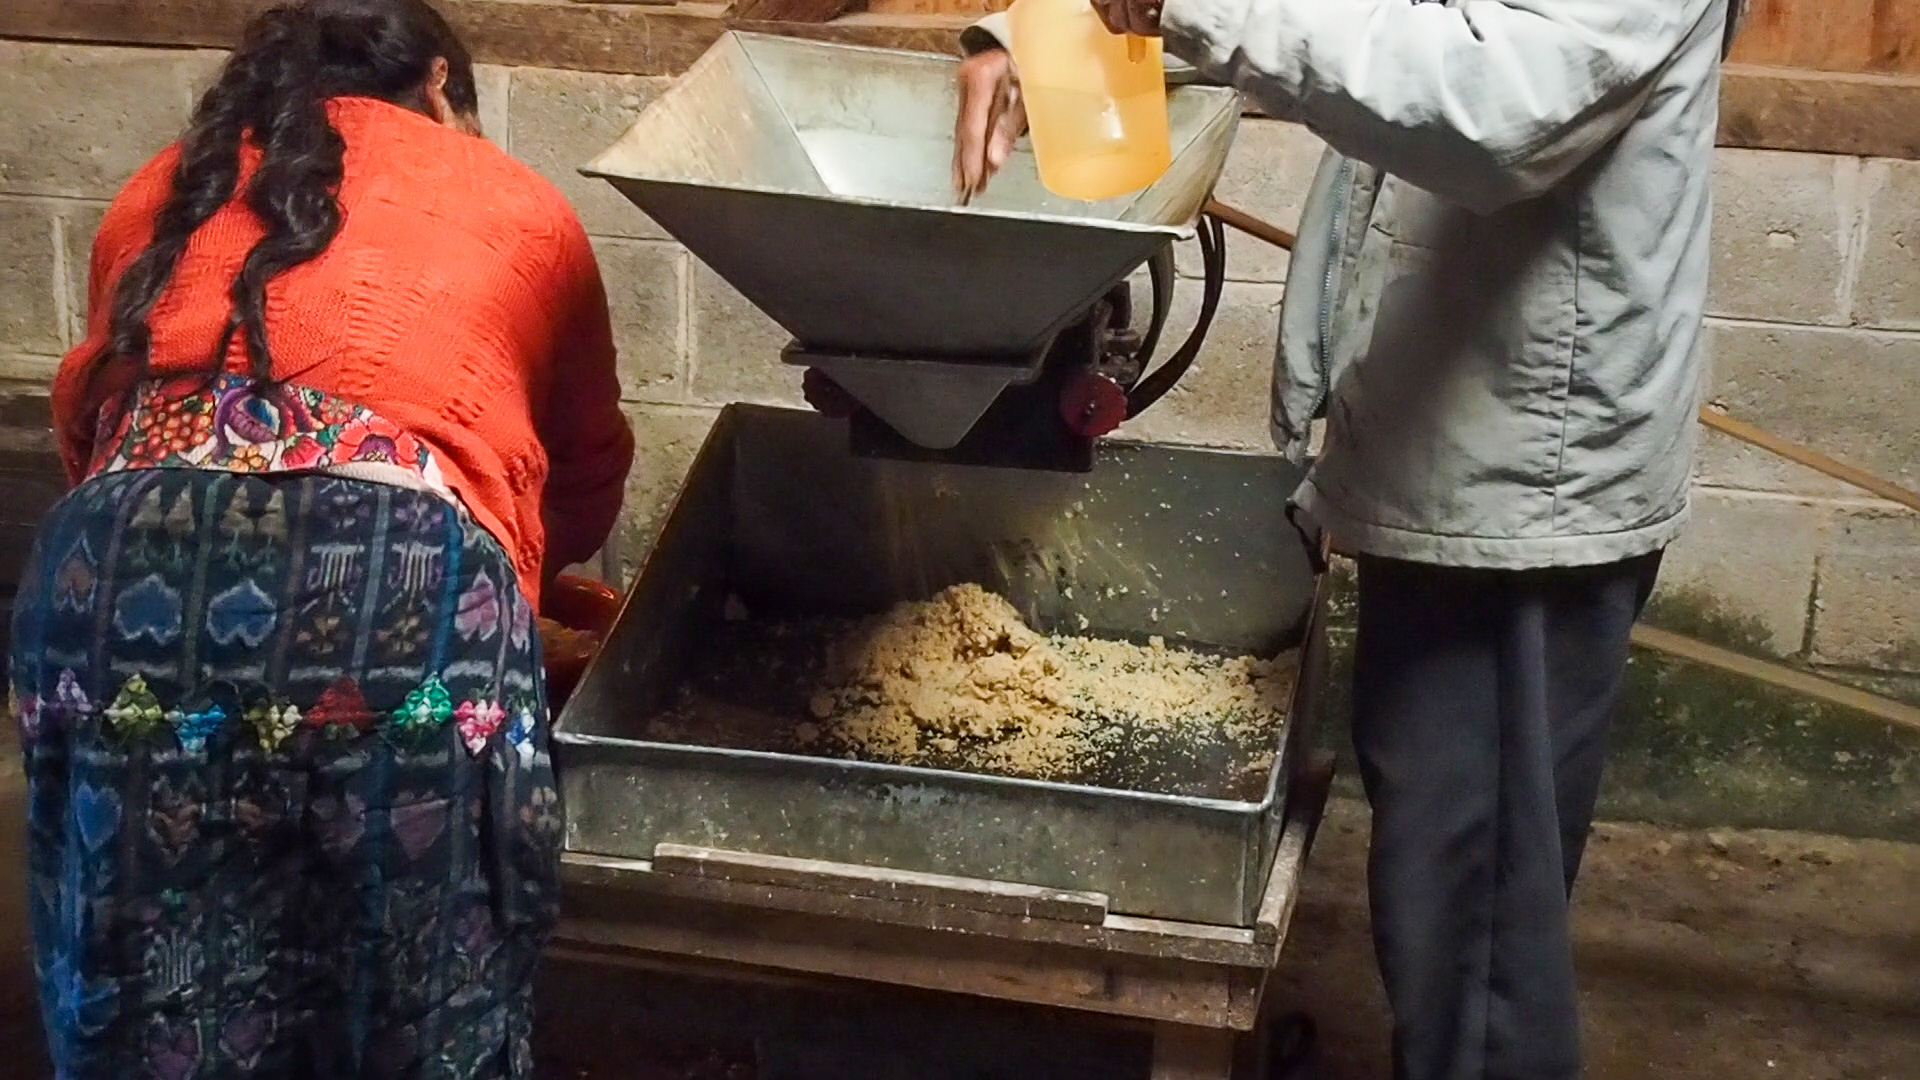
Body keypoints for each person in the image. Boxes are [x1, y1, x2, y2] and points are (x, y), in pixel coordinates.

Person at [956, 2, 1742, 1078]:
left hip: (1522, 502)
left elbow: (1498, 106)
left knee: (1480, 948)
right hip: (1459, 446)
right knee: (1441, 886)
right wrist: (1051, 29)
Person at [10, 0, 633, 1074]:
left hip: (106, 591)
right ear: (438, 84)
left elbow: (101, 439)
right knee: (419, 999)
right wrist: (505, 582)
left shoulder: (164, 186)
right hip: (394, 594)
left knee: (151, 986)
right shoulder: (520, 205)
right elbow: (584, 471)